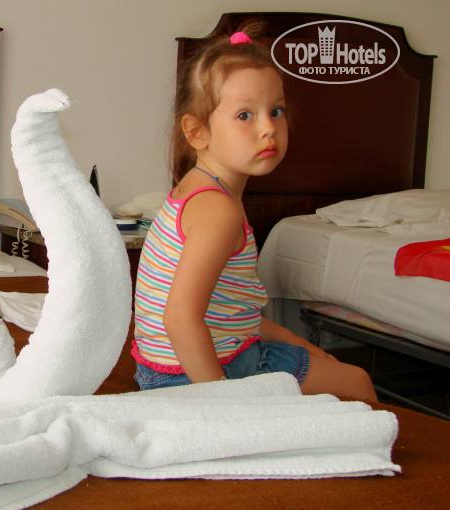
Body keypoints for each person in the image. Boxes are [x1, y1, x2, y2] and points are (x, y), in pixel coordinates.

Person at [132, 25, 377, 402]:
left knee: (325, 364)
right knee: (356, 383)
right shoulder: (217, 210)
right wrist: (226, 405)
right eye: (245, 115)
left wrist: (297, 341)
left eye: (276, 111)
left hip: (171, 365)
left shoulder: (200, 189)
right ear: (197, 132)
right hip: (198, 372)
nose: (268, 128)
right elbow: (180, 317)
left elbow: (232, 313)